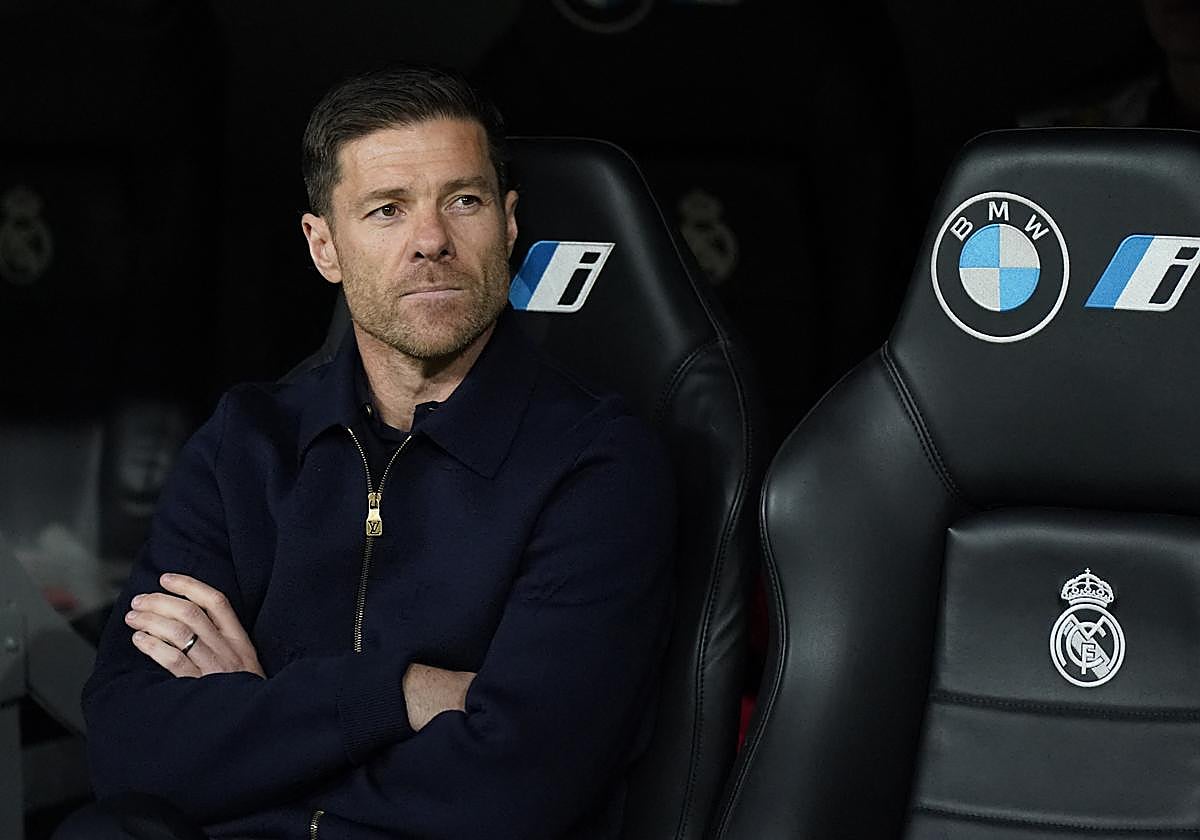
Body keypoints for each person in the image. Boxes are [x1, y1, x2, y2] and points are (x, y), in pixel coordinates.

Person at [58, 64, 676, 840]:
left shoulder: (598, 466)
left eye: (465, 201)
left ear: (510, 226)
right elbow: (127, 748)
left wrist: (257, 717)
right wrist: (404, 694)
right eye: (387, 210)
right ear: (325, 247)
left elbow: (514, 791)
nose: (432, 242)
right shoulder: (242, 445)